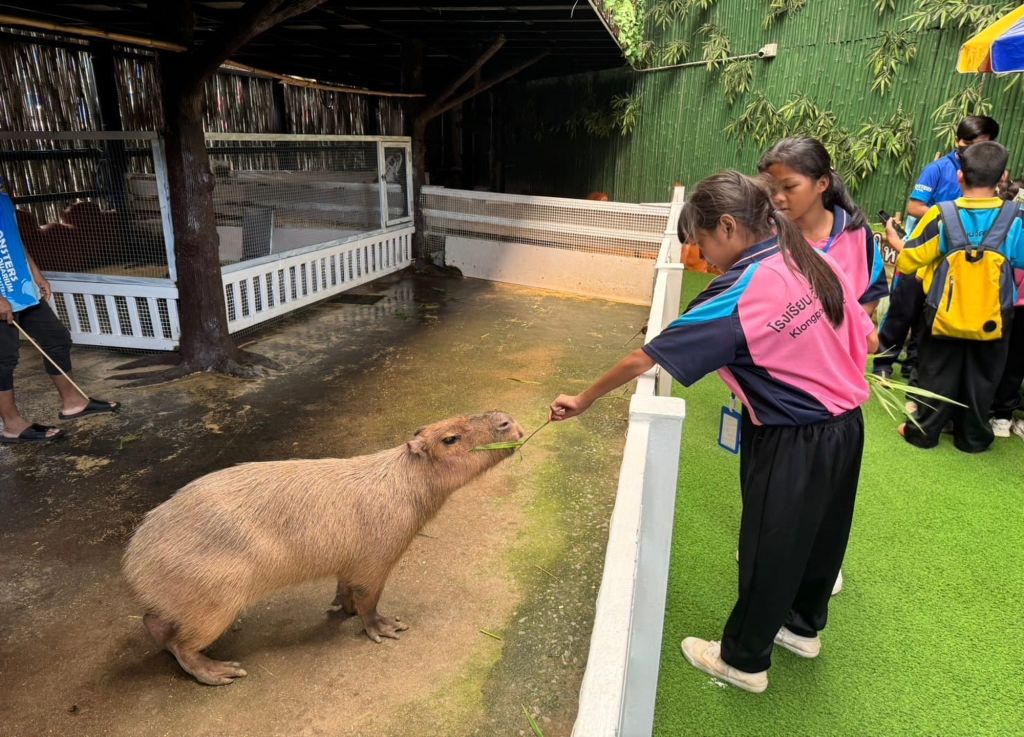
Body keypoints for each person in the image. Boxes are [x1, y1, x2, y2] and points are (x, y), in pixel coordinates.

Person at [549, 170, 877, 693]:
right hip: (847, 426)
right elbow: (867, 338)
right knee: (823, 534)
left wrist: (583, 398)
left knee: (769, 545)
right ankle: (803, 628)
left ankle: (744, 660)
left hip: (791, 437)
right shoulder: (812, 260)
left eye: (702, 245)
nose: (704, 259)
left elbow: (645, 358)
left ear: (727, 226)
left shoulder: (738, 293)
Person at [892, 141, 1024, 453]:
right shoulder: (1015, 218)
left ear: (960, 176)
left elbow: (908, 261)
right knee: (984, 377)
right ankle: (973, 439)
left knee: (935, 372)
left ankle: (923, 432)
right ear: (1002, 177)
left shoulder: (941, 214)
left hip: (943, 314)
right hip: (994, 316)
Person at [876, 115, 1001, 380]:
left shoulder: (990, 175)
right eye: (968, 143)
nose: (972, 149)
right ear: (958, 141)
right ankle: (883, 364)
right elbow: (914, 207)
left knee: (929, 317)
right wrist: (950, 217)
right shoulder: (939, 169)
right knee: (902, 311)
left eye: (981, 144)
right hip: (921, 250)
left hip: (955, 262)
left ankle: (913, 366)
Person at [0, 190, 118, 443]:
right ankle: (12, 425)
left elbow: (13, 241)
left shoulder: (3, 199)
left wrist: (35, 273)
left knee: (56, 339)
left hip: (21, 288)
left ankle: (74, 402)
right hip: (1, 294)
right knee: (3, 360)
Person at [758, 136, 888, 315]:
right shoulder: (766, 236)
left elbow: (872, 294)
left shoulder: (857, 233)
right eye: (772, 189)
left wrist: (848, 328)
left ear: (822, 183)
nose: (778, 197)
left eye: (789, 187)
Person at [988, 176, 1024, 439]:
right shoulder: (1016, 217)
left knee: (1010, 360)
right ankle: (1001, 414)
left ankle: (1001, 415)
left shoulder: (1013, 218)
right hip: (1012, 300)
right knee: (1013, 360)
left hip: (1013, 301)